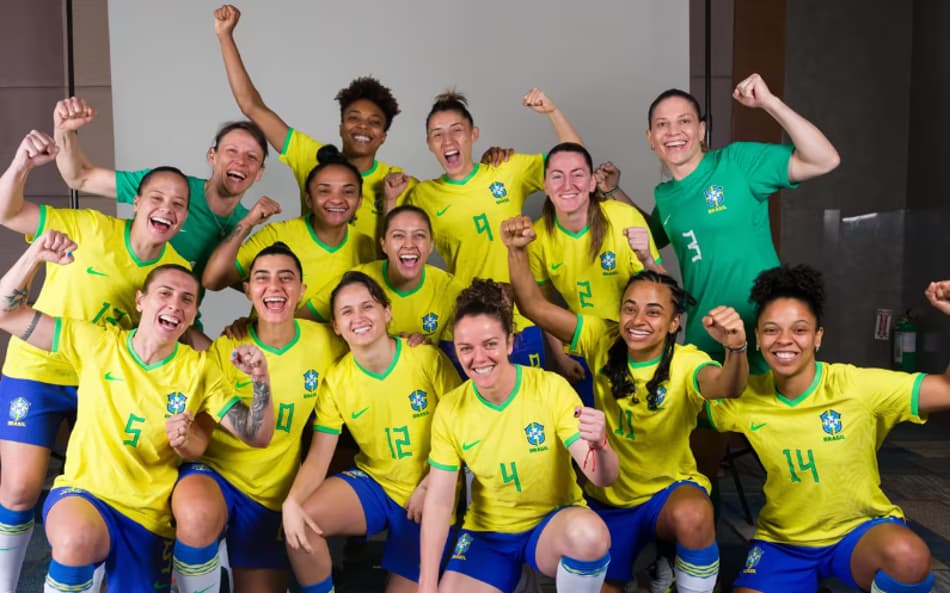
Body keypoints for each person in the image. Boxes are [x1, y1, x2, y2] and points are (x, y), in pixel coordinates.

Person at [0, 232, 275, 593]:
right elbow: (7, 313)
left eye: (187, 300)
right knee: (74, 539)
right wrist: (34, 254)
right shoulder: (98, 342)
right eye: (165, 293)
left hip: (147, 516)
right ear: (141, 301)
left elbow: (257, 435)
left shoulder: (200, 369)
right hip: (86, 494)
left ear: (193, 315)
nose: (175, 305)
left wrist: (260, 381)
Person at [503, 215, 748, 593]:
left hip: (666, 494)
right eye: (630, 308)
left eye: (653, 312)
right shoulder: (602, 338)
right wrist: (516, 250)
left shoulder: (686, 360)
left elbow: (727, 387)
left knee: (695, 513)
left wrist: (736, 347)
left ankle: (675, 567)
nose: (638, 320)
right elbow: (534, 306)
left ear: (672, 323)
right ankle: (653, 563)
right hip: (609, 500)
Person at [0, 130, 193, 593]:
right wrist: (22, 164)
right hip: (39, 369)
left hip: (102, 382)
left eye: (178, 204)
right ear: (136, 202)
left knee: (109, 487)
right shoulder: (86, 226)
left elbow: (179, 332)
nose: (166, 209)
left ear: (185, 218)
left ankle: (98, 560)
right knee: (21, 490)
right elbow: (7, 212)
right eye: (157, 198)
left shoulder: (174, 273)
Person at [705, 265, 950, 593]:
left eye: (800, 330)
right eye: (771, 330)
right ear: (758, 340)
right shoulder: (745, 393)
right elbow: (689, 402)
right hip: (784, 542)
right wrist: (732, 348)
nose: (785, 341)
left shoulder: (856, 385)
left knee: (908, 559)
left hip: (857, 531)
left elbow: (946, 390)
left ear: (819, 336)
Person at [418, 278, 619, 593]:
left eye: (490, 344)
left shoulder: (550, 389)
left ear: (510, 343)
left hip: (550, 525)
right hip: (489, 535)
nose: (479, 358)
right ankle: (514, 578)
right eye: (466, 348)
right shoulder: (450, 409)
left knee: (590, 536)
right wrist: (426, 586)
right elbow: (440, 502)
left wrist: (601, 447)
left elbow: (601, 477)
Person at [170, 242, 346, 593]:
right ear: (248, 291)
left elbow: (371, 348)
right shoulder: (226, 348)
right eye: (262, 278)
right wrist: (184, 440)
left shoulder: (325, 341)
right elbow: (203, 433)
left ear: (302, 290)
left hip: (272, 494)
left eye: (286, 278)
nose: (275, 287)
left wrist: (409, 340)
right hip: (217, 476)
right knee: (197, 514)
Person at [282, 271, 461, 593]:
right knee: (300, 523)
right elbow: (319, 457)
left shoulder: (425, 358)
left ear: (387, 312)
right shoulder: (337, 379)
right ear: (336, 325)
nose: (358, 317)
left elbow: (465, 433)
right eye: (346, 311)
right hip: (377, 484)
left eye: (367, 306)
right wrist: (291, 503)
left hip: (431, 493)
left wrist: (429, 484)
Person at [392, 88, 581, 369]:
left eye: (457, 130)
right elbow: (393, 252)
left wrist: (552, 112)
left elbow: (575, 161)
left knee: (525, 408)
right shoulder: (423, 195)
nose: (448, 141)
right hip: (465, 325)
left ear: (474, 134)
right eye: (437, 134)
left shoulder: (506, 170)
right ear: (429, 144)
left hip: (520, 323)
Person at [213, 4, 412, 240]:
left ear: (383, 136)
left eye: (374, 122)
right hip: (309, 275)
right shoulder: (312, 156)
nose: (362, 127)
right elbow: (252, 106)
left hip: (365, 277)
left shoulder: (395, 181)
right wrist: (225, 36)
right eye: (353, 118)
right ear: (341, 127)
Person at [52, 97, 276, 280]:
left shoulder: (249, 221)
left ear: (259, 173)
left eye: (252, 157)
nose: (240, 162)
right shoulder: (169, 187)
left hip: (175, 321)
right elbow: (80, 178)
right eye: (231, 151)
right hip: (126, 309)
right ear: (212, 156)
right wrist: (63, 130)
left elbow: (222, 281)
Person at [527, 141, 663, 405]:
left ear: (591, 183)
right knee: (592, 437)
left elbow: (665, 290)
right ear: (545, 185)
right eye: (557, 176)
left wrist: (646, 258)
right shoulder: (538, 236)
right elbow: (543, 308)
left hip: (634, 344)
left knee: (638, 436)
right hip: (582, 351)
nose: (567, 185)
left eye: (577, 174)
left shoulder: (624, 217)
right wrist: (562, 358)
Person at [202, 144, 376, 317]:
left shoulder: (366, 247)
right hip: (268, 343)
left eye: (348, 192)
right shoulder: (278, 235)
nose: (337, 200)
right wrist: (247, 223)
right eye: (324, 191)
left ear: (360, 201)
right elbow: (213, 280)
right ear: (309, 199)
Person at [307, 205, 465, 349]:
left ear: (431, 245)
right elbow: (301, 323)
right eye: (398, 236)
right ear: (383, 245)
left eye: (419, 235)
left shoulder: (451, 289)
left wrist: (430, 351)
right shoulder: (357, 282)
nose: (409, 244)